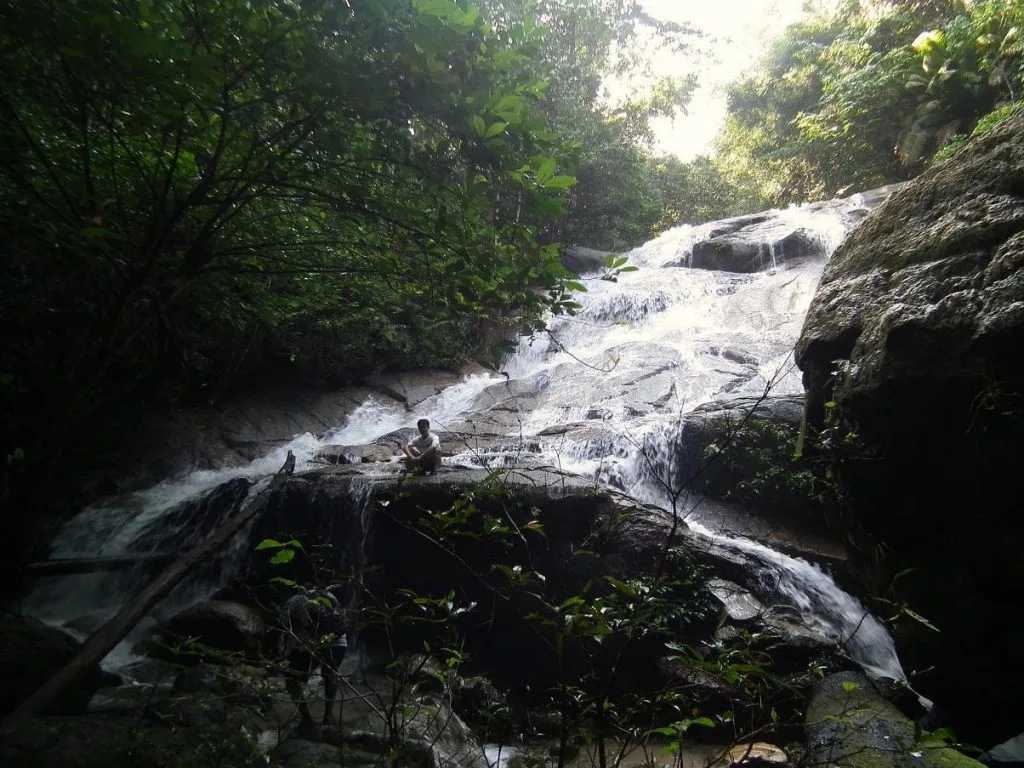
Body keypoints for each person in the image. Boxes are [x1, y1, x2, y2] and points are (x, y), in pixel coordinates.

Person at [278, 585, 353, 735]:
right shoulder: (328, 595)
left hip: (312, 643)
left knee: (291, 679)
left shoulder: (293, 602)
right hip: (339, 641)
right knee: (330, 674)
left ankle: (307, 721)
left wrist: (283, 656)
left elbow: (287, 631)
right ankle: (328, 717)